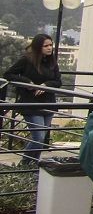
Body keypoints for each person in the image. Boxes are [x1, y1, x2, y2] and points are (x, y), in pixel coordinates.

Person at [4, 34, 62, 165]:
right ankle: (24, 163)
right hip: (31, 103)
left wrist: (46, 85)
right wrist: (27, 82)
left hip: (48, 103)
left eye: (50, 45)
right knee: (38, 137)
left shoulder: (52, 62)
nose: (49, 48)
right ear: (38, 47)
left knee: (40, 139)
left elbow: (58, 81)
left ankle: (33, 165)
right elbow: (8, 74)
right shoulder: (27, 60)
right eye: (45, 46)